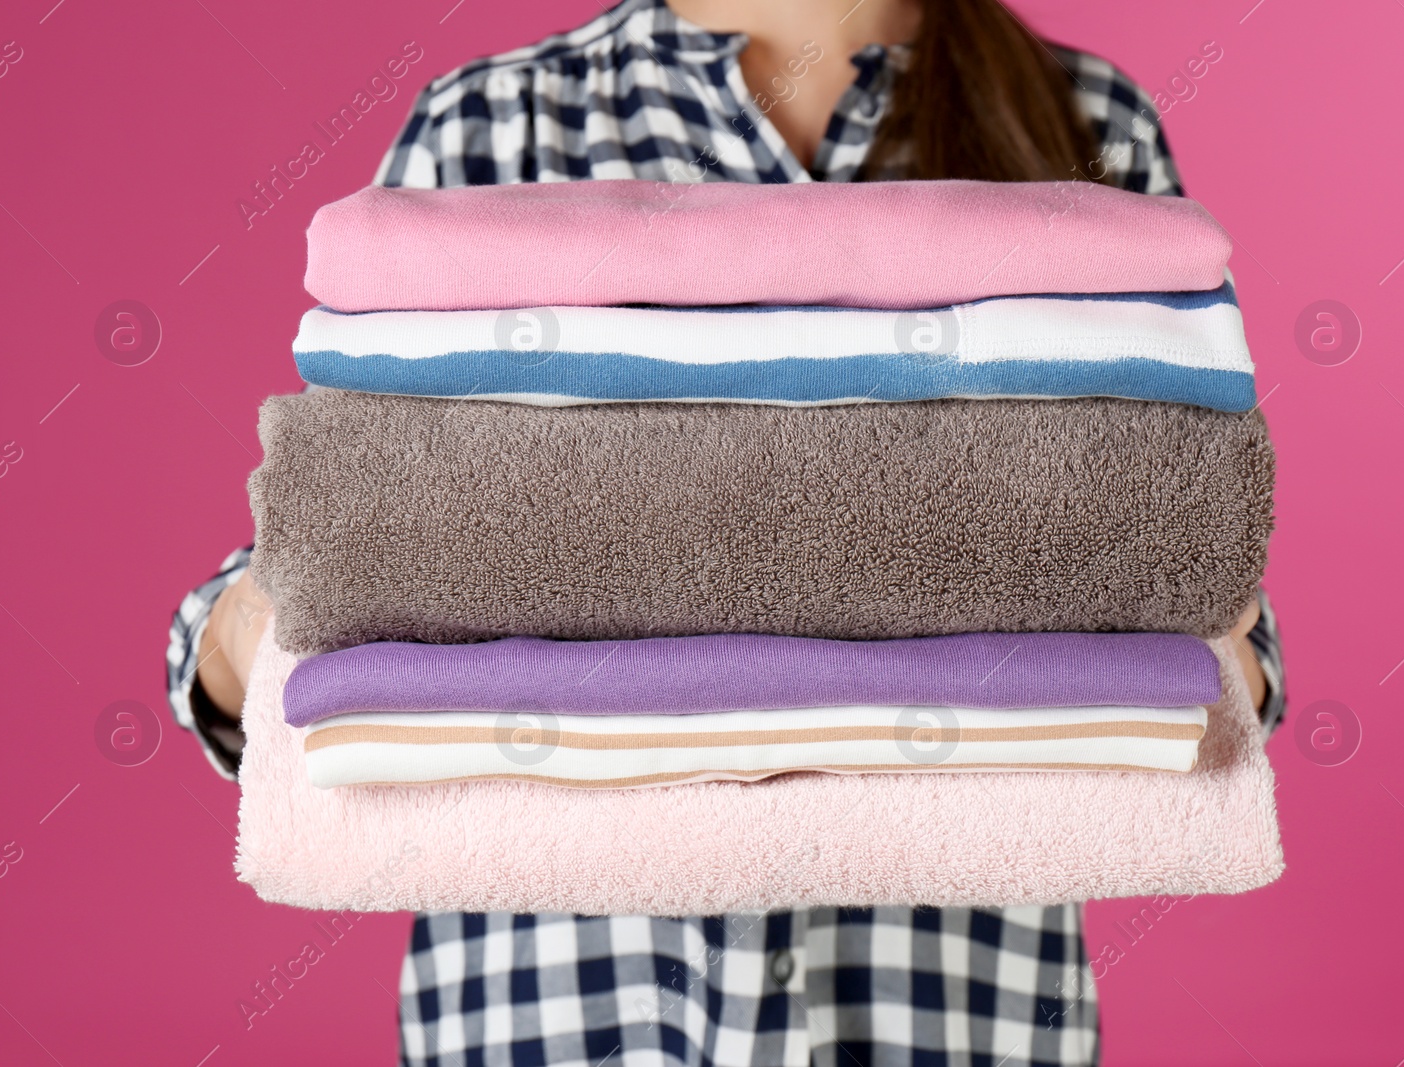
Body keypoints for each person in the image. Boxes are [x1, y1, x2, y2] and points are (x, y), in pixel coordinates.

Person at [169, 1, 1286, 1063]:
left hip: (952, 1011)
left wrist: (1190, 641)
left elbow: (1188, 577)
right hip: (551, 1011)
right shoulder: (494, 120)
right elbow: (351, 531)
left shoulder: (1090, 122)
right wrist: (273, 621)